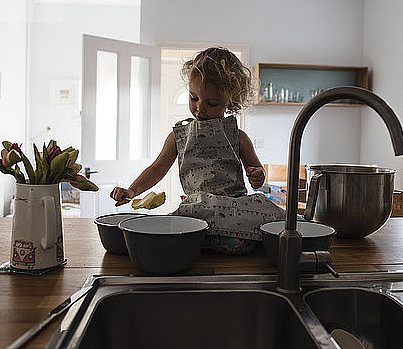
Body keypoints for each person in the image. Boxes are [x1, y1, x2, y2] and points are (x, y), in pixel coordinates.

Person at [110, 47, 284, 254]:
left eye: (211, 103)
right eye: (193, 98)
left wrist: (258, 175)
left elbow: (256, 172)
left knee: (268, 207)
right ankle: (230, 240)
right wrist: (132, 191)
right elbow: (157, 169)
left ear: (231, 101)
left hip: (233, 207)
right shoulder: (179, 136)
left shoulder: (237, 137)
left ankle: (213, 238)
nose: (200, 108)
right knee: (195, 207)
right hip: (200, 207)